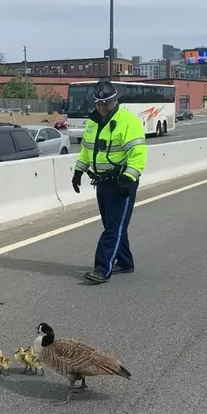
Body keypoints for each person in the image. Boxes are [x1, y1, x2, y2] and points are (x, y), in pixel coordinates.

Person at [71, 78, 148, 284]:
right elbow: (87, 150)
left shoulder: (128, 121)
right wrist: (79, 171)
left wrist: (129, 176)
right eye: (98, 103)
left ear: (115, 101)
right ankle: (125, 262)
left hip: (122, 182)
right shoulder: (93, 122)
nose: (102, 106)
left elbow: (138, 152)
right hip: (102, 182)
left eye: (106, 103)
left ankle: (102, 269)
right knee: (114, 225)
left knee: (113, 228)